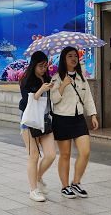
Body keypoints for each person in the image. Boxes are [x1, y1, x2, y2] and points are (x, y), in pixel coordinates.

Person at [50, 46, 99, 199]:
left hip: (78, 119)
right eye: (70, 56)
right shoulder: (56, 78)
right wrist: (63, 85)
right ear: (64, 59)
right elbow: (54, 100)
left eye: (75, 56)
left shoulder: (81, 77)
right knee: (65, 155)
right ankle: (65, 187)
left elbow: (88, 97)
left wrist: (93, 115)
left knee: (85, 152)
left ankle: (76, 182)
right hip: (62, 118)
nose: (73, 58)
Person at [18, 51, 57, 202]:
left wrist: (53, 88)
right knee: (33, 156)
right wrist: (42, 89)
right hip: (29, 121)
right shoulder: (25, 80)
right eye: (40, 66)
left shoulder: (47, 78)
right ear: (33, 65)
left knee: (51, 154)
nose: (43, 69)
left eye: (45, 66)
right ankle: (33, 190)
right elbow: (29, 101)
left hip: (45, 121)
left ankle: (39, 177)